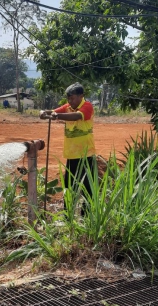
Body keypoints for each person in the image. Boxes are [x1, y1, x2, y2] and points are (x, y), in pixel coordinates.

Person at [40, 82, 96, 216]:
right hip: (71, 155)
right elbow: (54, 111)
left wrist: (57, 116)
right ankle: (68, 215)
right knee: (69, 187)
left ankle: (87, 216)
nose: (70, 102)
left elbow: (77, 116)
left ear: (81, 96)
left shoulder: (87, 106)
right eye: (68, 99)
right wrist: (43, 112)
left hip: (85, 155)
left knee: (88, 187)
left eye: (73, 98)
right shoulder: (68, 107)